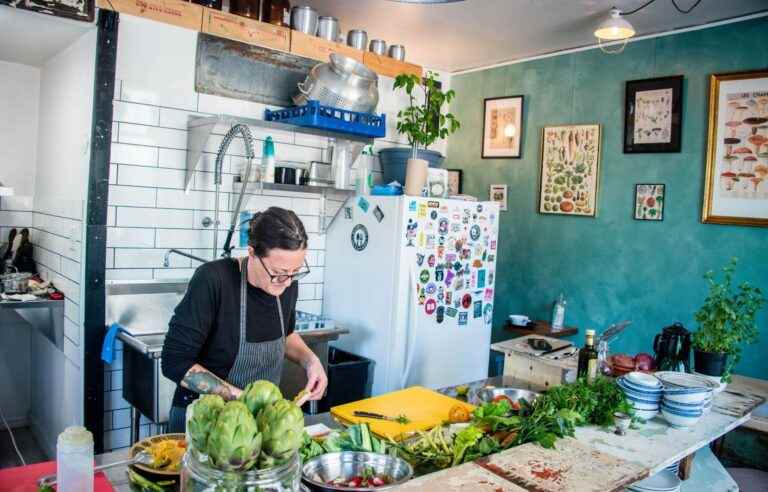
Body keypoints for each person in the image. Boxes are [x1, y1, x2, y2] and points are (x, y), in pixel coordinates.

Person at [161, 207, 328, 432]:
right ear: (252, 253)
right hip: (204, 422)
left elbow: (285, 335)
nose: (287, 282)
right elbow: (175, 362)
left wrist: (310, 361)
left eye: (295, 271)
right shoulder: (213, 280)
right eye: (279, 272)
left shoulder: (286, 282)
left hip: (257, 424)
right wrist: (244, 399)